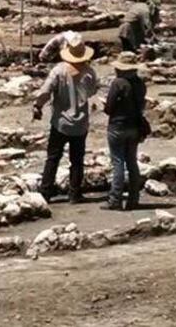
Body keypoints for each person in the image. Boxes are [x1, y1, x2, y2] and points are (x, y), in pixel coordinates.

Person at [33, 35, 99, 204]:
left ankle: (46, 191)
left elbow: (46, 91)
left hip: (60, 121)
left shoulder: (59, 71)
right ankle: (75, 193)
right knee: (77, 160)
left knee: (53, 157)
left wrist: (38, 106)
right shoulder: (90, 73)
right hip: (81, 123)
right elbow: (91, 93)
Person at [103, 52, 146, 211]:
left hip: (117, 126)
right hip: (134, 126)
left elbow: (109, 108)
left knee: (118, 163)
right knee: (132, 162)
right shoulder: (140, 84)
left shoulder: (118, 83)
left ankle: (115, 199)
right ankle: (134, 199)